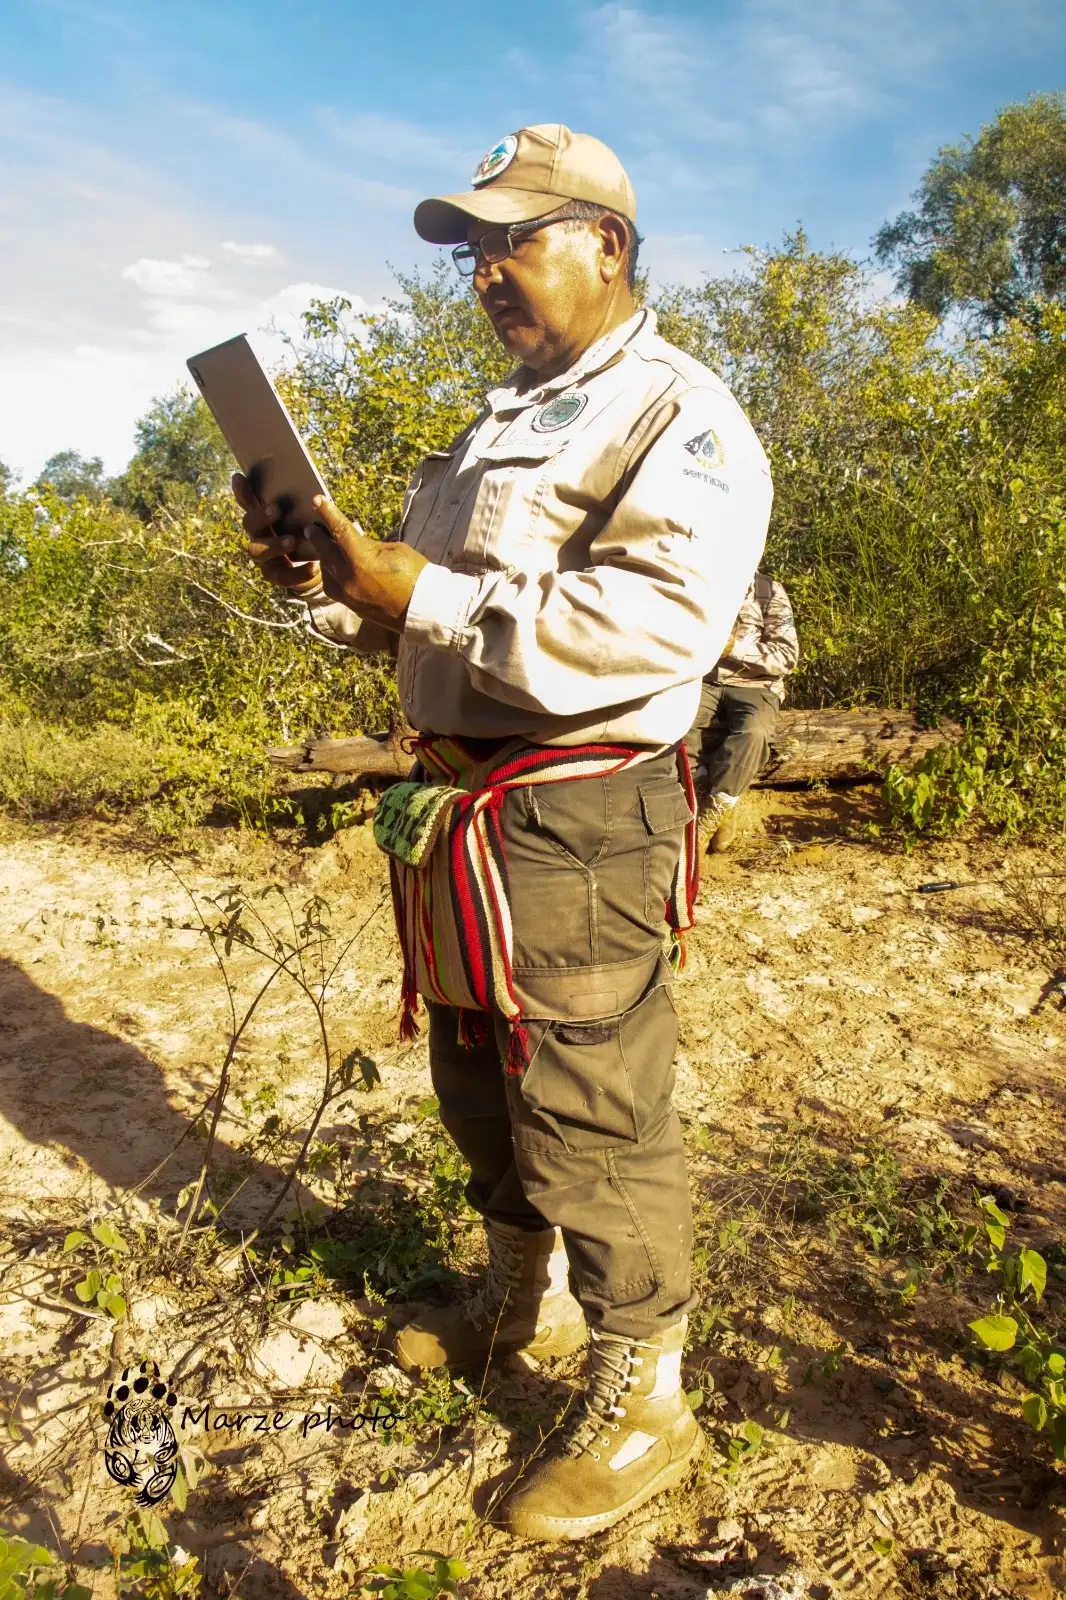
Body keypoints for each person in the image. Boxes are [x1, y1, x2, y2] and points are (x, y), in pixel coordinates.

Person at [234, 123, 772, 1541]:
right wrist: (331, 581)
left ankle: (645, 1393)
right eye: (471, 248)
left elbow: (652, 624)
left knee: (592, 1106)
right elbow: (426, 627)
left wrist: (421, 590)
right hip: (461, 806)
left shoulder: (678, 416)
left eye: (510, 240)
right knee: (477, 1071)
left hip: (574, 812)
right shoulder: (499, 420)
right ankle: (514, 1302)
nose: (483, 271)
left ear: (604, 242)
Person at [684, 572, 798, 853]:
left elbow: (787, 656)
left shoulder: (767, 591)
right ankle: (709, 806)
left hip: (756, 684)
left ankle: (706, 824)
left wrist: (734, 648)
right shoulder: (697, 582)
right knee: (676, 725)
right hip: (702, 679)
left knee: (754, 731)